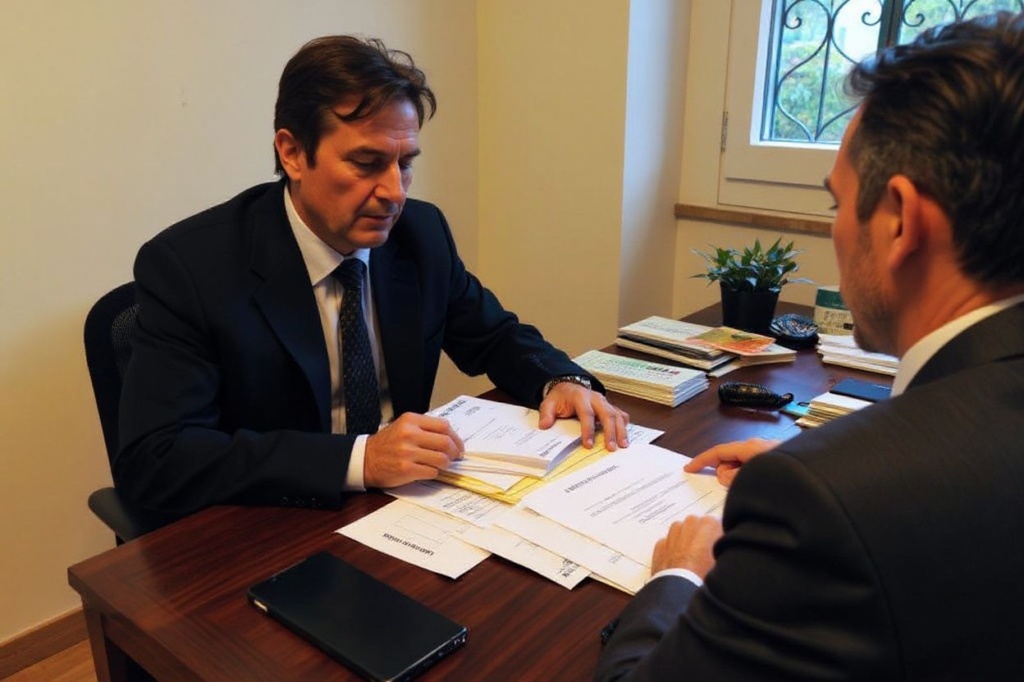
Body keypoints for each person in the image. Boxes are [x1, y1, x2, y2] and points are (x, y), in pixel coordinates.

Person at [597, 12, 1024, 681]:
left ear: (900, 220)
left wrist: (677, 575)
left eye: (837, 204)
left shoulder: (824, 500)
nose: (835, 231)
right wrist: (835, 476)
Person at [115, 35, 629, 517]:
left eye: (405, 164)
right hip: (271, 522)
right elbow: (157, 458)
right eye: (366, 163)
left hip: (406, 512)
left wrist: (561, 380)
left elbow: (495, 337)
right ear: (292, 153)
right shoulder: (191, 267)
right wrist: (361, 459)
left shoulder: (420, 235)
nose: (394, 192)